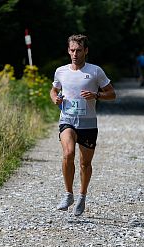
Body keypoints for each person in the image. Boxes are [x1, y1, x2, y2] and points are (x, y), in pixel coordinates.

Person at [50, 34, 116, 216]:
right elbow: (54, 89)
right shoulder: (61, 71)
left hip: (88, 123)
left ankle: (82, 196)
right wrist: (55, 98)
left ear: (86, 51)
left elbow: (112, 94)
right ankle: (68, 193)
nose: (75, 54)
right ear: (68, 50)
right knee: (68, 153)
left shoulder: (95, 71)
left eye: (79, 50)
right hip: (67, 119)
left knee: (85, 164)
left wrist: (96, 95)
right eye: (72, 50)